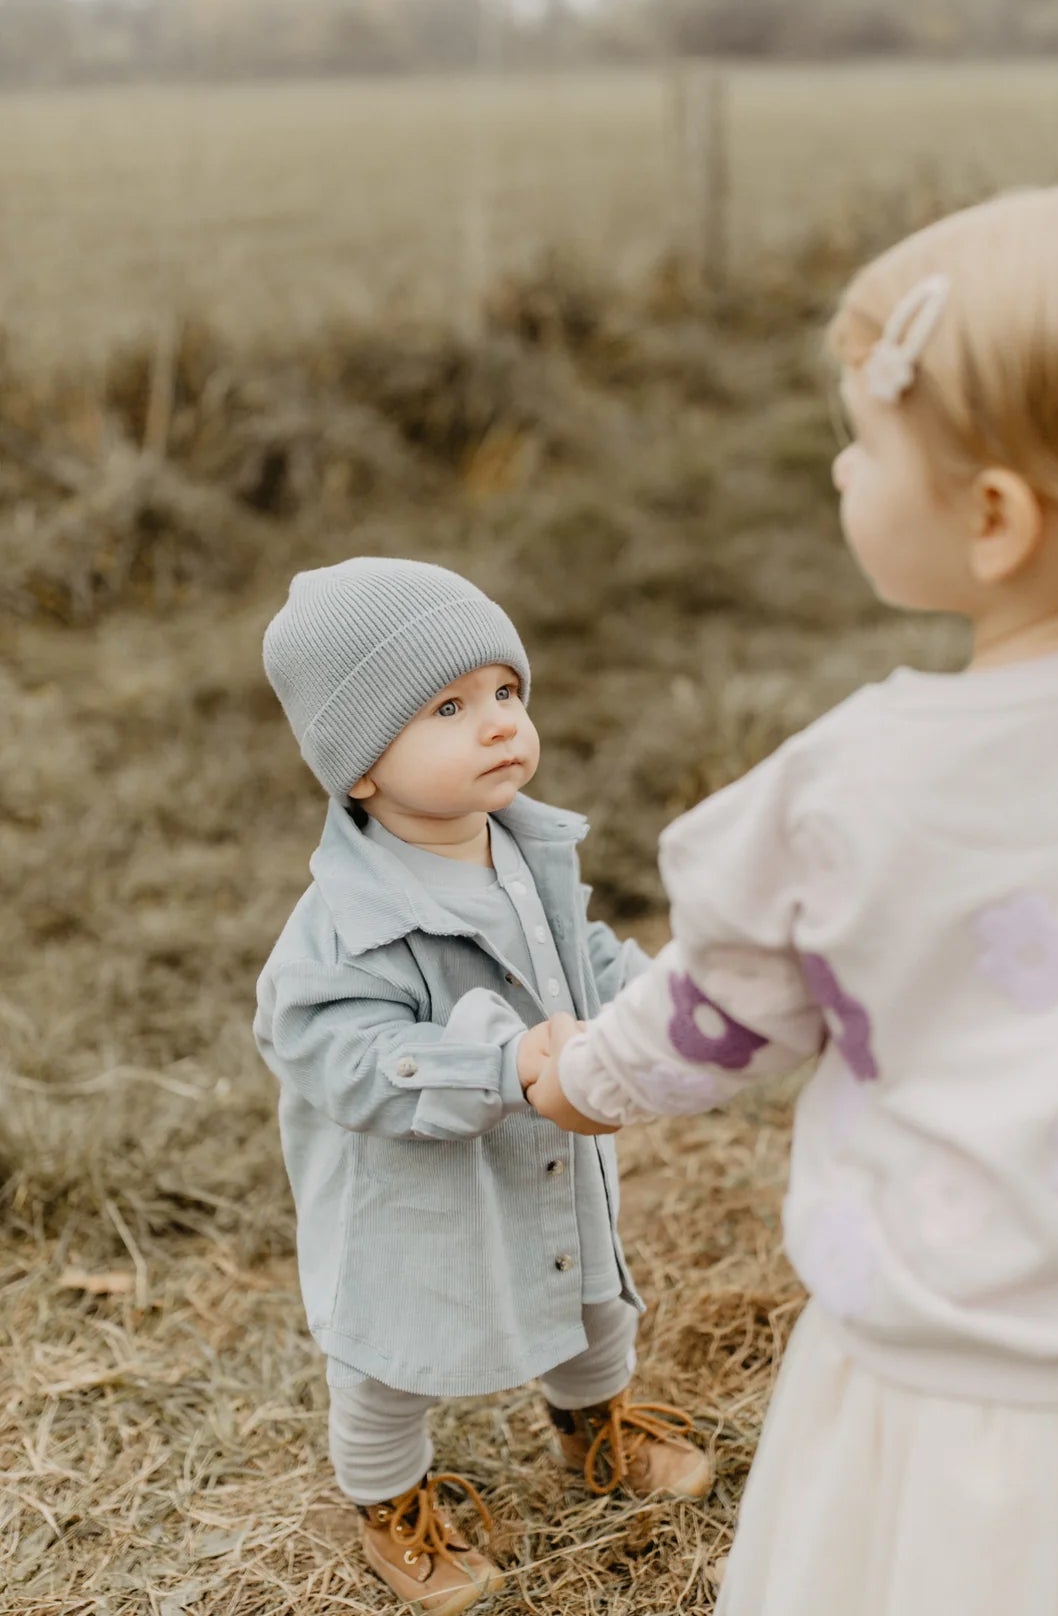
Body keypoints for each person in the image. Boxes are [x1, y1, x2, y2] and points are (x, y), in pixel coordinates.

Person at [526, 171, 1058, 1615]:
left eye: (864, 444)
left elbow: (709, 1020)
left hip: (954, 1409)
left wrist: (571, 1075)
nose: (840, 472)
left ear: (997, 517)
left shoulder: (852, 793)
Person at [256, 558, 710, 1614]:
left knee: (593, 1297)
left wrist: (667, 1000)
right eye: (450, 708)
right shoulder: (344, 926)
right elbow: (343, 1054)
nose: (501, 721)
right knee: (391, 1359)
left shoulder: (523, 849)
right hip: (417, 1195)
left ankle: (593, 1427)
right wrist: (501, 1064)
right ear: (360, 769)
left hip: (549, 1157)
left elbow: (583, 956)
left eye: (506, 690)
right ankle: (390, 1503)